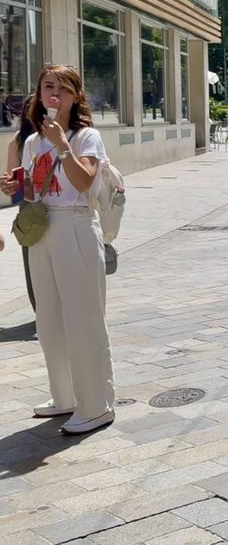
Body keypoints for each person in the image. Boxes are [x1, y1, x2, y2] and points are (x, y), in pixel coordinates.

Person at [0, 65, 116, 436]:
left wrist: (63, 146)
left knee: (82, 318)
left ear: (75, 96)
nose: (54, 94)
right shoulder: (33, 142)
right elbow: (31, 192)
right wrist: (13, 187)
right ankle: (64, 396)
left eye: (63, 89)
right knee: (49, 320)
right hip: (43, 230)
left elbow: (83, 181)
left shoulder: (86, 137)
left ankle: (96, 406)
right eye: (48, 87)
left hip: (76, 225)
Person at [6, 95, 40, 310]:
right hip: (31, 206)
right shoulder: (19, 141)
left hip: (42, 205)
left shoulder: (61, 135)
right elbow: (13, 180)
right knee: (32, 259)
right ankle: (41, 309)